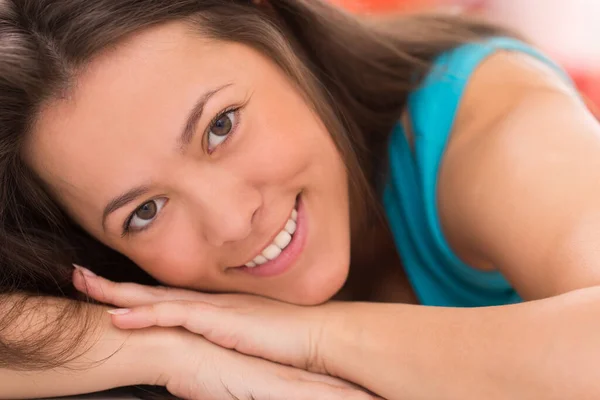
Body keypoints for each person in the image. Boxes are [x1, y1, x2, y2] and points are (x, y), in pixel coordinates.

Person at [2, 0, 600, 399]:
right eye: (145, 212)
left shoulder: (488, 121)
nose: (233, 220)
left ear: (273, 28)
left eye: (220, 126)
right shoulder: (132, 293)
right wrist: (167, 353)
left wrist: (316, 338)